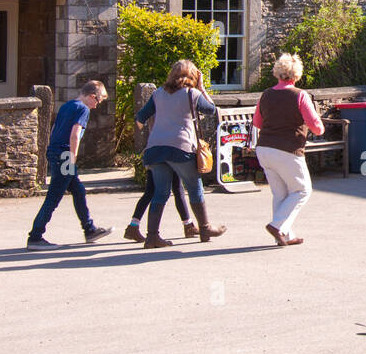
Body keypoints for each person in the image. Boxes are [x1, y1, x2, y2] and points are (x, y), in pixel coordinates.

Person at [134, 60, 226, 248]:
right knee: (194, 186)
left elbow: (140, 118)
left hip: (155, 148)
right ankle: (205, 227)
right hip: (180, 147)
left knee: (161, 192)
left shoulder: (158, 94)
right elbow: (211, 110)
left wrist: (156, 131)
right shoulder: (192, 94)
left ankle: (152, 236)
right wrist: (202, 88)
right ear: (193, 77)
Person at [26, 80, 113, 250]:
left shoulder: (67, 106)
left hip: (56, 152)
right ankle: (35, 236)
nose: (96, 106)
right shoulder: (83, 108)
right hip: (65, 155)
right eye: (98, 101)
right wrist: (71, 158)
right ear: (91, 96)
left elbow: (53, 129)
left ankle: (89, 229)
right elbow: (75, 135)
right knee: (54, 196)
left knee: (78, 191)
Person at [252, 54, 326, 246]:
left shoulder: (266, 94)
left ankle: (285, 235)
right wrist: (319, 128)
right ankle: (278, 226)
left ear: (277, 72)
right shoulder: (300, 95)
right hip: (288, 149)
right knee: (302, 190)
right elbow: (316, 127)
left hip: (265, 149)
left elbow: (257, 123)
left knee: (280, 194)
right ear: (296, 75)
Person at [123, 170, 195, 241]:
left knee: (150, 191)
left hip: (152, 160)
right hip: (167, 161)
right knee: (177, 189)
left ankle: (133, 226)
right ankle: (188, 225)